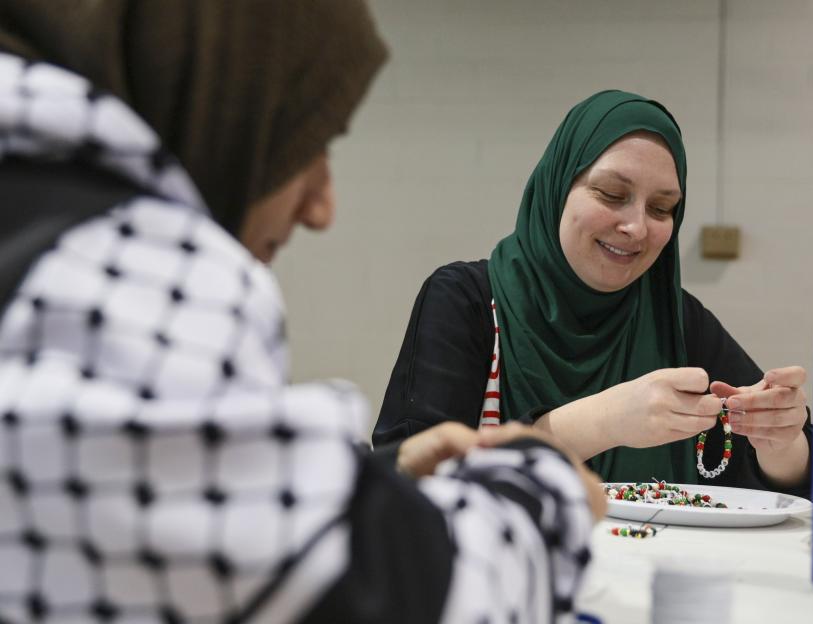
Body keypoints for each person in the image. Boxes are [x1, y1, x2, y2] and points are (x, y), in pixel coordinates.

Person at [0, 2, 604, 623]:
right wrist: (540, 487)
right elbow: (385, 597)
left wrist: (369, 487)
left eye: (667, 207)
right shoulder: (127, 265)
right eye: (302, 138)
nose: (322, 208)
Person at [374, 90, 813, 495]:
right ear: (558, 187)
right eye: (611, 194)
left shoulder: (675, 319)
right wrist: (604, 420)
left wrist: (780, 440)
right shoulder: (466, 302)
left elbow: (789, 482)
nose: (637, 227)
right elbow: (406, 478)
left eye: (661, 209)